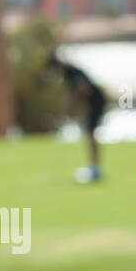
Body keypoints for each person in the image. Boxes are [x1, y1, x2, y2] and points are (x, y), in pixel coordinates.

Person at [47, 53, 106, 183]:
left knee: (90, 133)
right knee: (89, 132)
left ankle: (96, 169)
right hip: (93, 104)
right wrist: (71, 107)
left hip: (97, 103)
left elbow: (84, 89)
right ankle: (94, 166)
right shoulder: (68, 73)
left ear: (57, 66)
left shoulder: (72, 72)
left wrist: (73, 106)